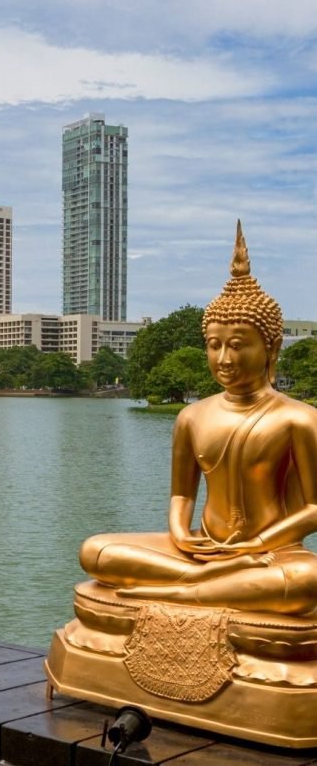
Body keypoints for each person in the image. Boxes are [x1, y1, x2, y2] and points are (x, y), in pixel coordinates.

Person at [80, 223, 317, 614]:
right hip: (201, 548)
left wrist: (257, 545)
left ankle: (185, 592)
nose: (224, 359)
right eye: (214, 345)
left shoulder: (299, 418)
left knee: (307, 581)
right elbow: (182, 494)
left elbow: (314, 508)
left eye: (238, 346)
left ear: (270, 346)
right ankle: (203, 582)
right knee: (96, 550)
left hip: (271, 553)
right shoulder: (193, 416)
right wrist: (179, 533)